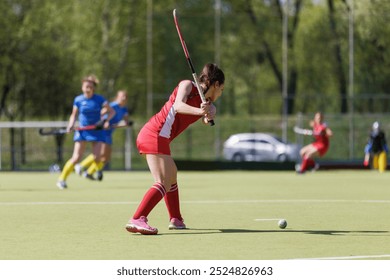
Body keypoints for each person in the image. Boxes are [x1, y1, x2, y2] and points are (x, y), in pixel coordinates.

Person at [125, 63, 225, 235]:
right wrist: (201, 112)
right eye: (221, 88)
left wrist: (209, 115)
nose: (221, 93)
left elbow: (205, 118)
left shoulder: (207, 103)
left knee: (171, 175)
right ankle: (138, 218)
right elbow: (178, 106)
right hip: (154, 133)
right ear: (215, 85)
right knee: (163, 180)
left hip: (161, 138)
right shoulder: (187, 85)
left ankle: (176, 219)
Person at [56, 75, 114, 189]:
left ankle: (82, 168)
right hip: (83, 131)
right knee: (76, 157)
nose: (88, 88)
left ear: (93, 88)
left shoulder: (100, 99)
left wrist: (105, 121)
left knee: (98, 157)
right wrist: (70, 125)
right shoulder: (78, 100)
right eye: (86, 86)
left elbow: (111, 112)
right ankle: (61, 179)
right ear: (82, 87)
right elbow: (74, 115)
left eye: (90, 86)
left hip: (96, 131)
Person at [75, 90, 130, 180]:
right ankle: (81, 166)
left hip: (109, 132)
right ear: (117, 97)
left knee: (106, 157)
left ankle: (89, 172)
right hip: (103, 132)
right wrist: (105, 121)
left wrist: (127, 123)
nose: (123, 98)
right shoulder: (112, 106)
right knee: (99, 154)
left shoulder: (124, 109)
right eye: (122, 96)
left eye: (125, 97)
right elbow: (100, 114)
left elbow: (126, 121)